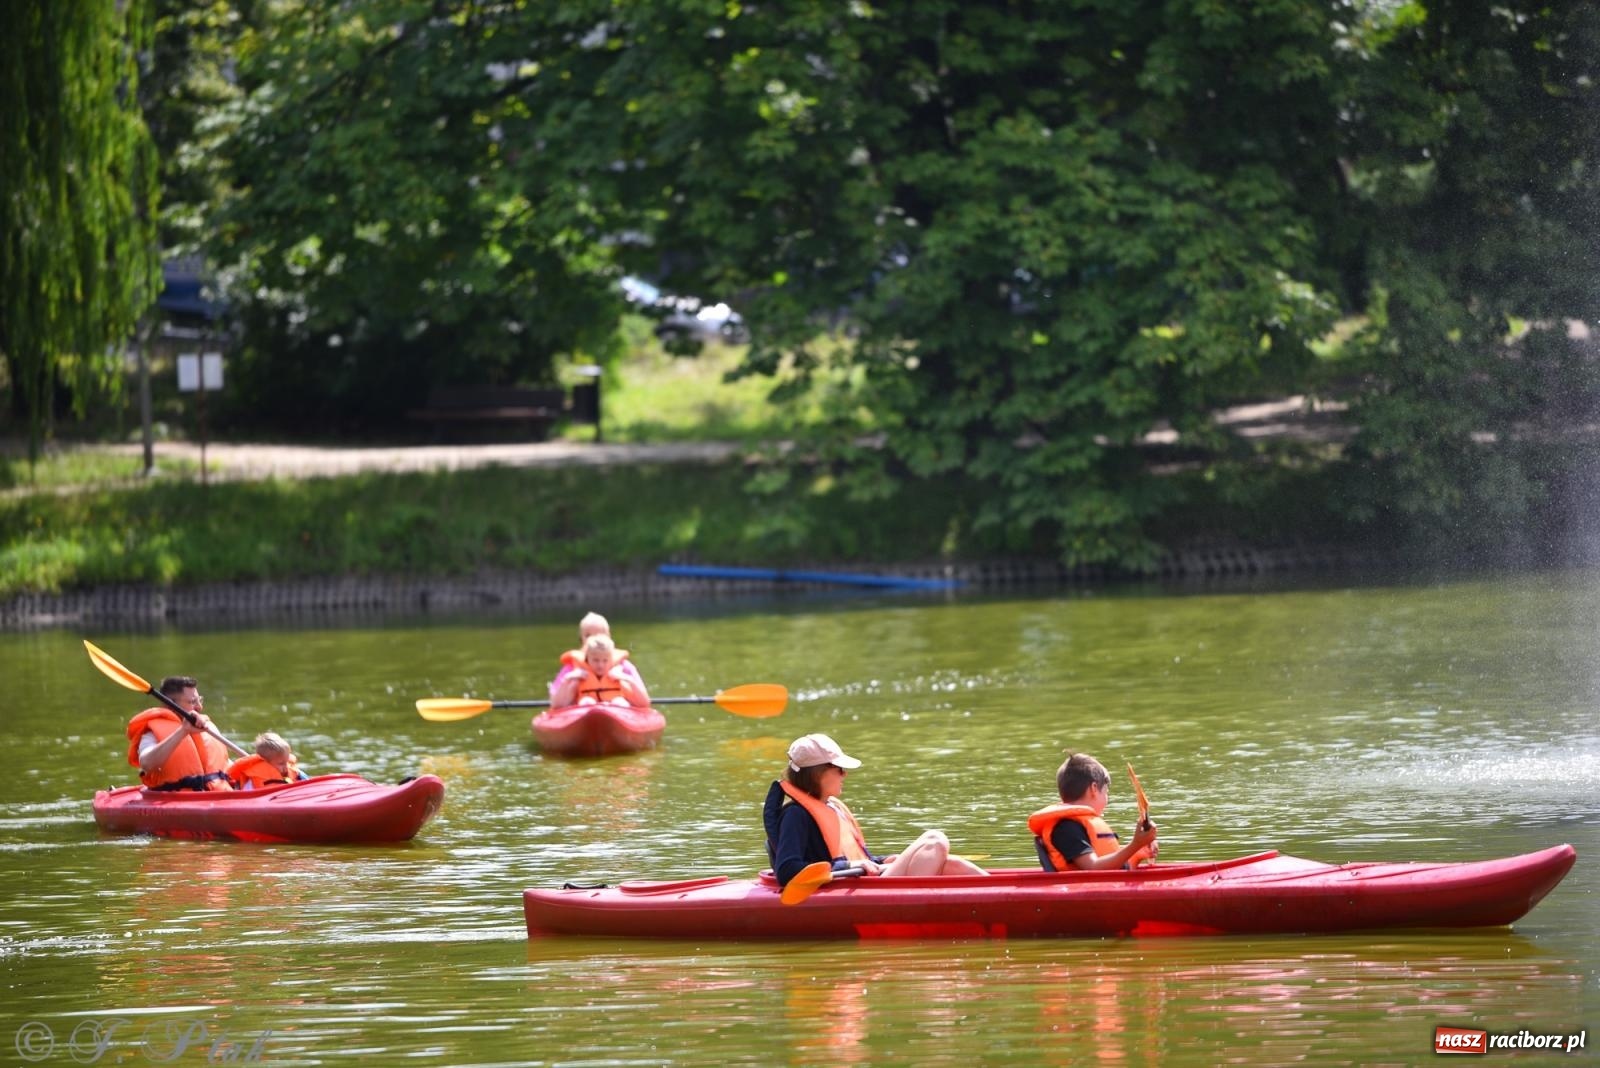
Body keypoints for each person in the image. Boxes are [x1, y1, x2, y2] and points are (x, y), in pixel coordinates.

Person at [763, 733, 988, 888]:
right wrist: (851, 865)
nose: (845, 774)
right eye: (839, 769)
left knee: (952, 864)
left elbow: (861, 859)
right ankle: (912, 909)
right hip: (853, 891)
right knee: (934, 840)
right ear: (817, 773)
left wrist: (883, 860)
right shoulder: (796, 815)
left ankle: (1008, 899)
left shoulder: (833, 808)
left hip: (865, 882)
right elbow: (787, 870)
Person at [1028, 752, 1158, 871]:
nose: (1107, 798)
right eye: (1106, 792)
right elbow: (1093, 868)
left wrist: (1138, 853)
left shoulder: (1077, 825)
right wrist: (1135, 845)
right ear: (1094, 789)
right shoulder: (1066, 828)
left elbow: (1115, 869)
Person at [125, 676, 234, 792]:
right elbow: (146, 763)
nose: (199, 707)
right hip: (174, 800)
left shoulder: (208, 728)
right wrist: (183, 731)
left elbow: (227, 766)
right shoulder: (152, 734)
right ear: (170, 706)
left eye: (199, 700)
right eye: (192, 702)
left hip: (218, 796)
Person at [548, 612, 649, 702]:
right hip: (584, 710)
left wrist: (625, 680)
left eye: (599, 634)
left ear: (608, 636)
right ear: (581, 638)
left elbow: (644, 701)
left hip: (617, 708)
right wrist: (569, 681)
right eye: (588, 635)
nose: (594, 640)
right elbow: (555, 704)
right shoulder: (571, 668)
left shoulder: (623, 666)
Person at [226, 731, 309, 790]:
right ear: (265, 762)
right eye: (281, 764)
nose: (285, 767)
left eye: (286, 762)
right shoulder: (254, 778)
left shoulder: (292, 770)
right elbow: (246, 796)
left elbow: (308, 782)